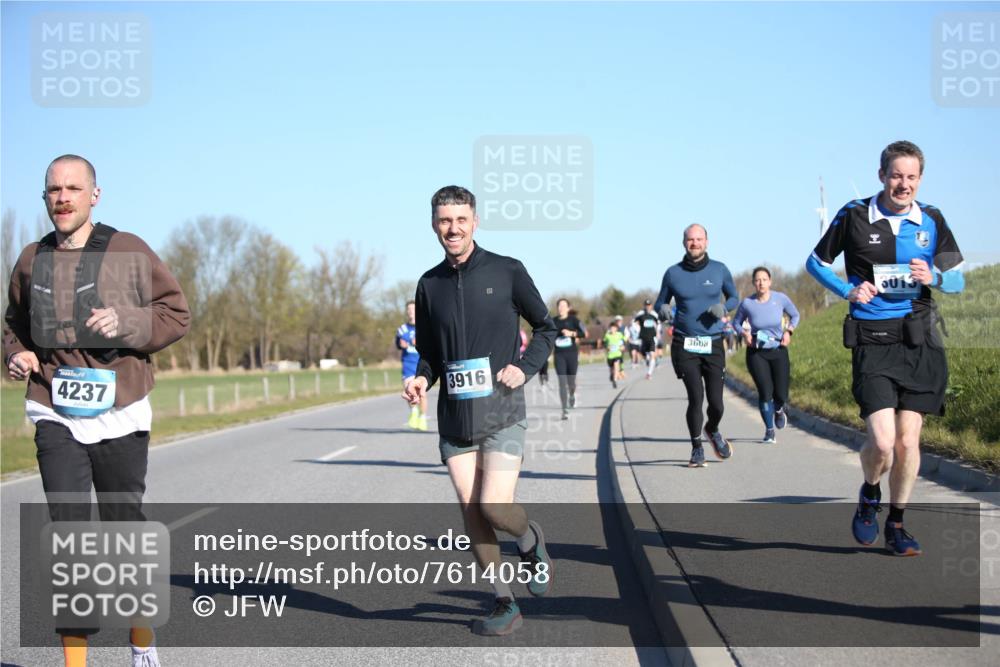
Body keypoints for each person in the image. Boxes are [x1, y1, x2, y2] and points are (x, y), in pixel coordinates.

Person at [3, 155, 190, 667]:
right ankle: (76, 662)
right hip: (54, 408)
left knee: (124, 528)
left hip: (121, 409)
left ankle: (142, 643)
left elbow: (176, 313)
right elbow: (13, 323)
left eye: (72, 188)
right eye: (53, 190)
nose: (62, 198)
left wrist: (127, 320)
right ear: (44, 197)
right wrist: (15, 353)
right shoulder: (29, 259)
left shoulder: (128, 250)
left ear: (94, 195)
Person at [402, 185, 556, 635]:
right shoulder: (429, 284)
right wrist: (420, 379)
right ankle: (504, 602)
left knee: (493, 506)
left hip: (502, 410)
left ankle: (530, 541)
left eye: (461, 220)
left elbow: (545, 327)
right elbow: (430, 353)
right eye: (445, 221)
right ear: (434, 225)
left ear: (475, 221)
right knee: (471, 513)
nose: (453, 228)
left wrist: (524, 368)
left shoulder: (508, 271)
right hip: (455, 419)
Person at [806, 140, 965, 556]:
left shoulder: (932, 219)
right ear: (882, 175)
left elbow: (960, 279)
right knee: (881, 442)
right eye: (896, 175)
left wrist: (934, 276)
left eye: (911, 177)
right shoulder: (855, 214)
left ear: (920, 179)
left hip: (920, 340)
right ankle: (870, 491)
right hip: (873, 340)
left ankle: (896, 523)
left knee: (908, 443)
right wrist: (847, 289)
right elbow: (815, 263)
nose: (903, 184)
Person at [654, 224, 738, 468]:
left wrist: (725, 308)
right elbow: (661, 302)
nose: (695, 243)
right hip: (685, 342)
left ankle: (712, 429)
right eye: (691, 240)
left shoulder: (720, 270)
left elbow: (734, 297)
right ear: (684, 243)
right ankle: (696, 448)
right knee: (695, 397)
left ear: (707, 242)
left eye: (699, 239)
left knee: (717, 402)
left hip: (713, 343)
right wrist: (663, 310)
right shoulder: (672, 273)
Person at [733, 267, 801, 443]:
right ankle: (769, 431)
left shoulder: (780, 299)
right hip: (756, 352)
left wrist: (789, 332)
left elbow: (795, 315)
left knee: (781, 394)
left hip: (778, 350)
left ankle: (779, 409)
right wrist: (745, 334)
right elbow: (736, 323)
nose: (761, 283)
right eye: (757, 280)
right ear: (753, 283)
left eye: (764, 279)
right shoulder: (747, 303)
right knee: (765, 392)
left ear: (770, 281)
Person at [552, 298, 587, 419]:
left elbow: (584, 333)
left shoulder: (574, 320)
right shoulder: (553, 321)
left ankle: (572, 395)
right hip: (559, 355)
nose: (561, 308)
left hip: (571, 354)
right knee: (562, 382)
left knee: (571, 382)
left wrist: (572, 333)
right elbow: (546, 334)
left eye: (563, 305)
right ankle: (564, 409)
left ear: (568, 308)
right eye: (559, 306)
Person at [396, 300, 428, 430]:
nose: (411, 312)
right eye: (408, 310)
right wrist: (400, 344)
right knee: (408, 390)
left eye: (413, 309)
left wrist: (419, 342)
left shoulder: (424, 327)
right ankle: (414, 412)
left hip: (421, 364)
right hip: (408, 364)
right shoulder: (402, 329)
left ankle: (423, 418)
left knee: (421, 393)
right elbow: (398, 344)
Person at [634, 299, 660, 380]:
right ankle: (647, 360)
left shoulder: (654, 314)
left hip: (652, 337)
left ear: (651, 306)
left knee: (652, 354)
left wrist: (658, 332)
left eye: (649, 305)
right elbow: (634, 323)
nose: (648, 307)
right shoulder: (640, 314)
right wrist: (638, 331)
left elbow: (658, 324)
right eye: (646, 305)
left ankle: (649, 373)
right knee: (643, 353)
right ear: (644, 306)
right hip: (643, 338)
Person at [603, 319, 626, 388]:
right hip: (610, 355)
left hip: (618, 354)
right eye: (611, 328)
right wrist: (607, 347)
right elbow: (604, 343)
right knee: (611, 369)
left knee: (616, 367)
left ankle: (615, 380)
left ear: (616, 329)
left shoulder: (619, 335)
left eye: (614, 328)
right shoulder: (607, 336)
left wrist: (622, 346)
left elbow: (624, 341)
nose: (612, 329)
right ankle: (612, 375)